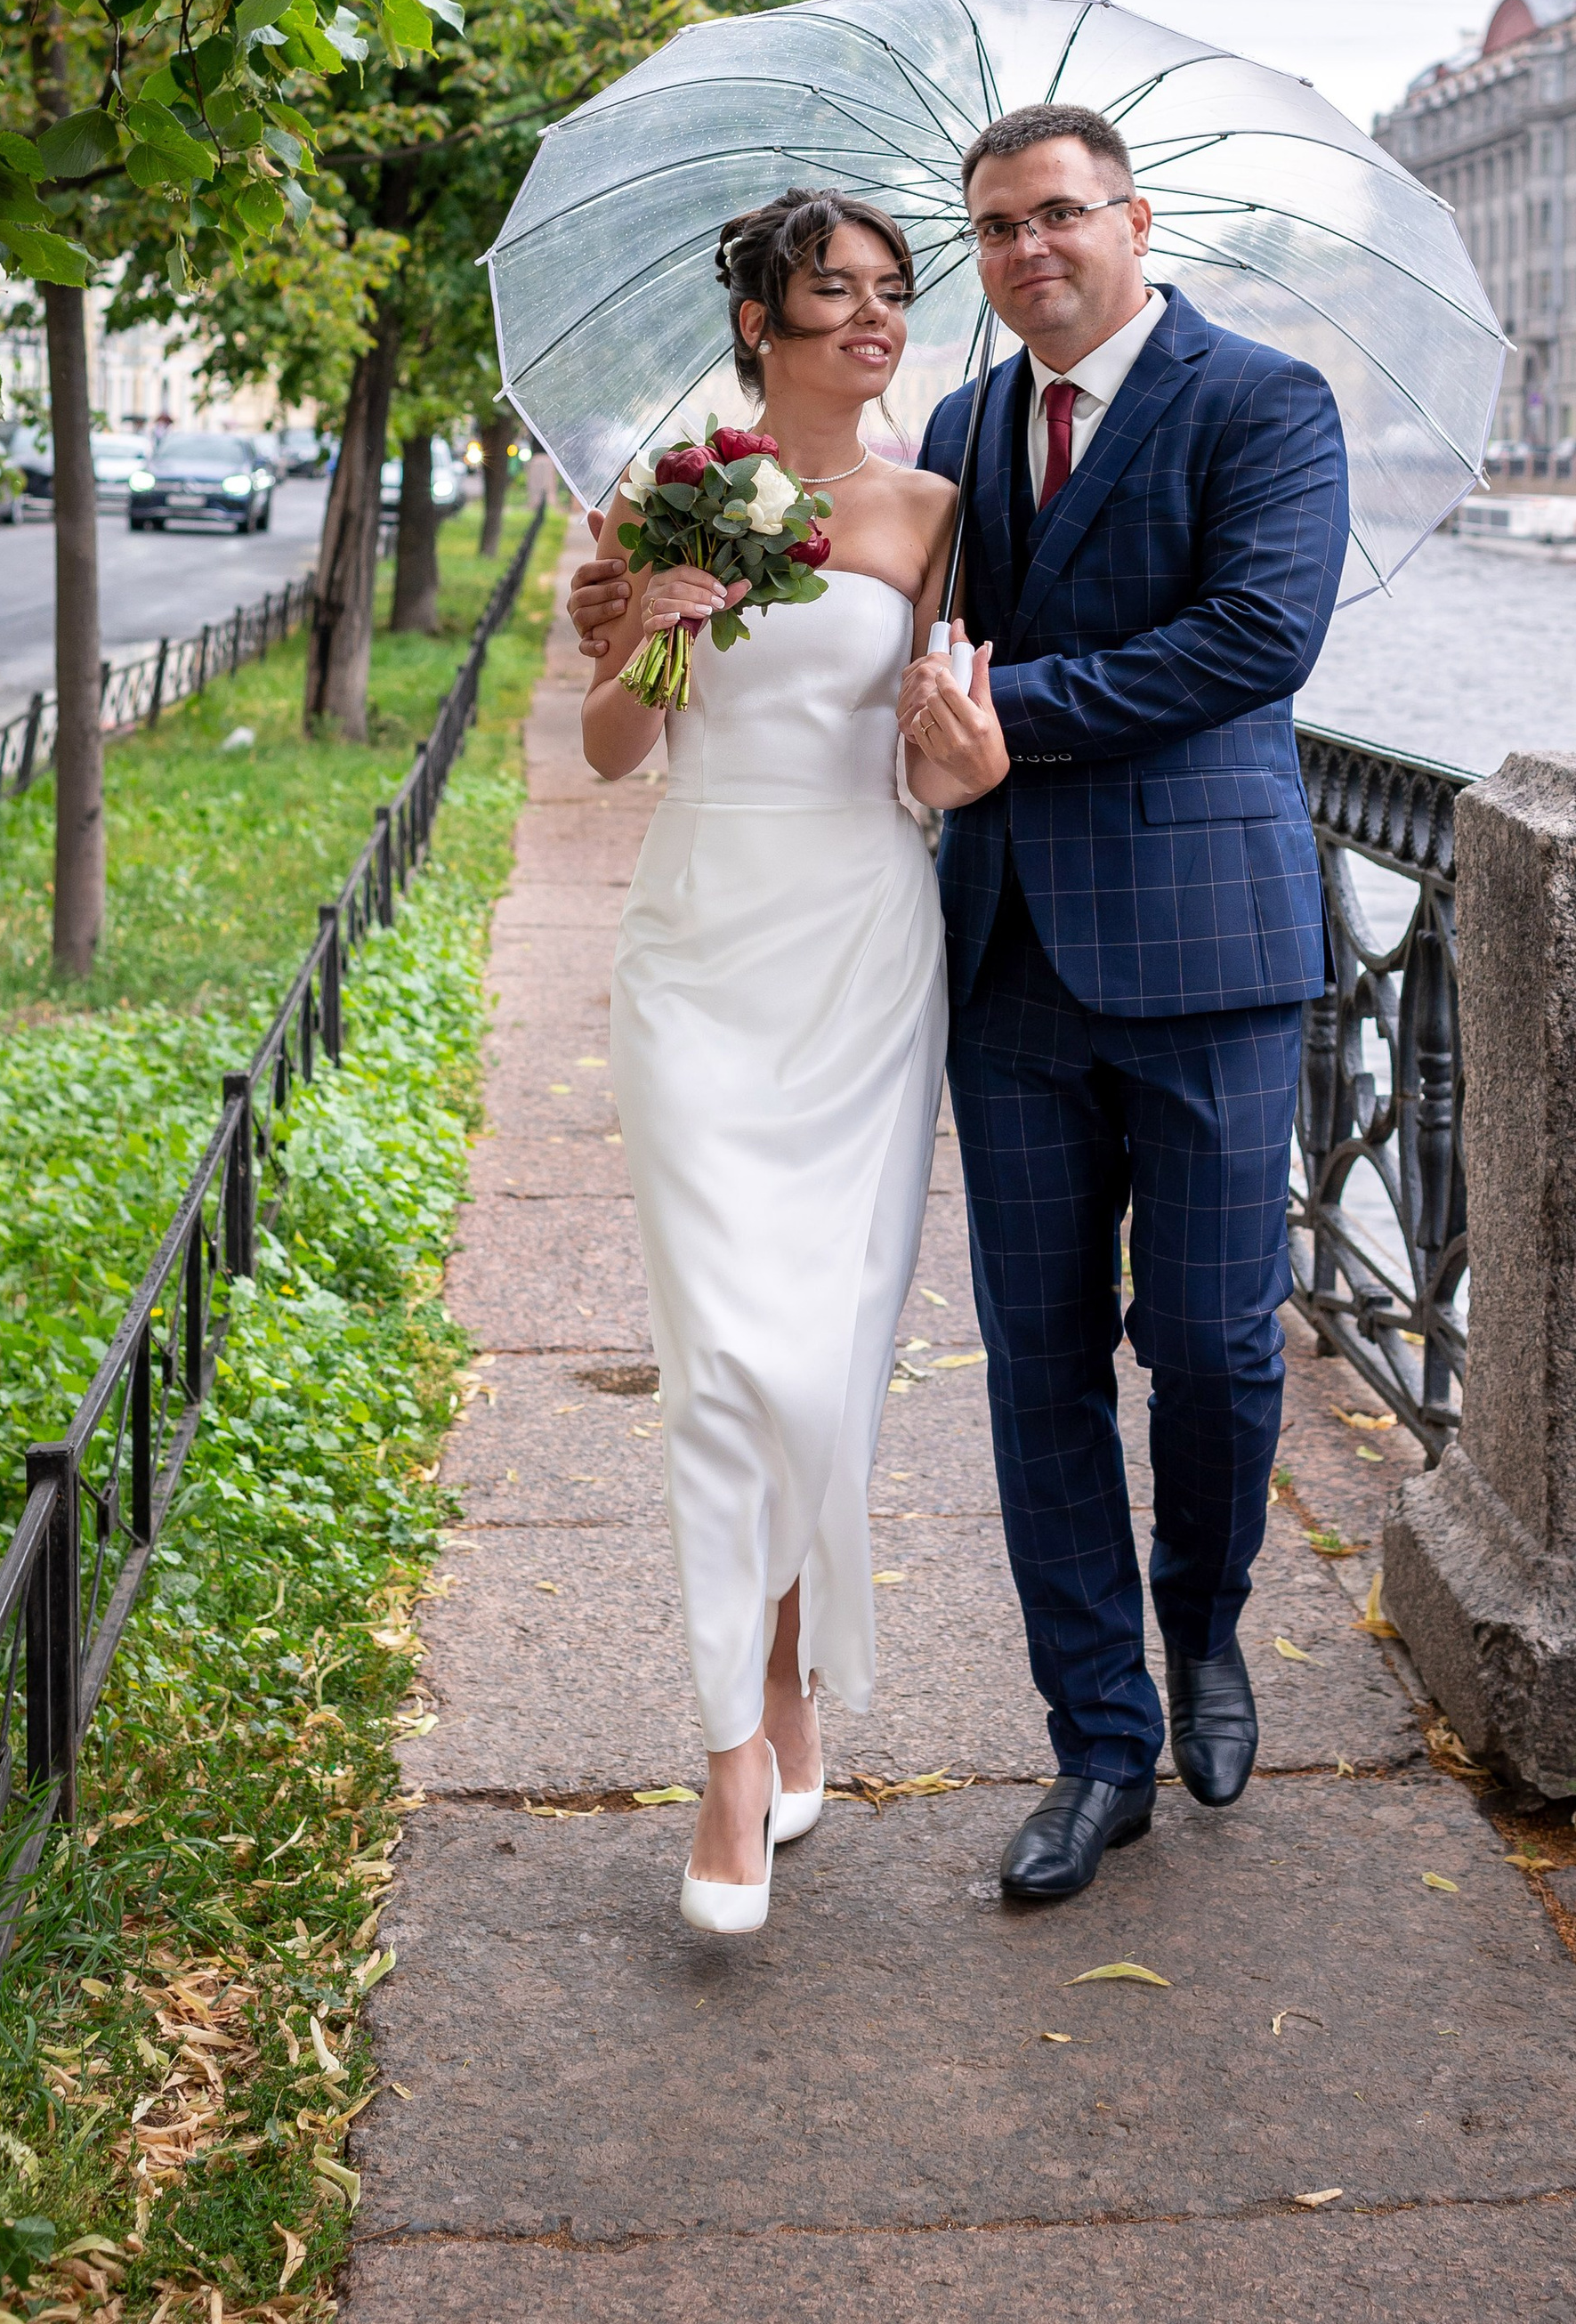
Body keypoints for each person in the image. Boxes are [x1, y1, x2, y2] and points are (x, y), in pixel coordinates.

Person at [570, 103, 1348, 1904]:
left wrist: (995, 729)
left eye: (1053, 215)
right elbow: (710, 716)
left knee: (1216, 1346)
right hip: (971, 953)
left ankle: (1201, 1622)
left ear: (1131, 222)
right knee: (1027, 1361)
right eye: (994, 227)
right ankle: (1091, 1745)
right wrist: (632, 612)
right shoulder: (948, 436)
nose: (1023, 251)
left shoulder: (1253, 404)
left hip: (1184, 941)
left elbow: (1250, 640)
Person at [581, 190, 1006, 1936]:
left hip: (859, 948)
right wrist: (653, 625)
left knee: (820, 1355)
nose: (873, 316)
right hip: (698, 947)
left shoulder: (935, 509)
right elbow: (611, 751)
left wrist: (964, 763)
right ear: (758, 321)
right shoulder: (667, 496)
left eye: (893, 289)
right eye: (834, 289)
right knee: (718, 1360)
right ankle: (730, 1752)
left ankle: (788, 1679)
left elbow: (929, 763)